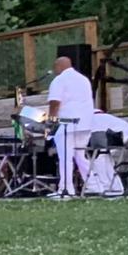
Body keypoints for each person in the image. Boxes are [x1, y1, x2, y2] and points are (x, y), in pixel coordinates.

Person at [45, 55, 95, 199]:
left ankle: (66, 189)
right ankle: (93, 185)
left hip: (66, 124)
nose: (55, 70)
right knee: (80, 156)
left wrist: (51, 123)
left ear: (59, 66)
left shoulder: (59, 80)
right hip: (84, 124)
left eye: (55, 67)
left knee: (65, 157)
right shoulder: (84, 79)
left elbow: (54, 103)